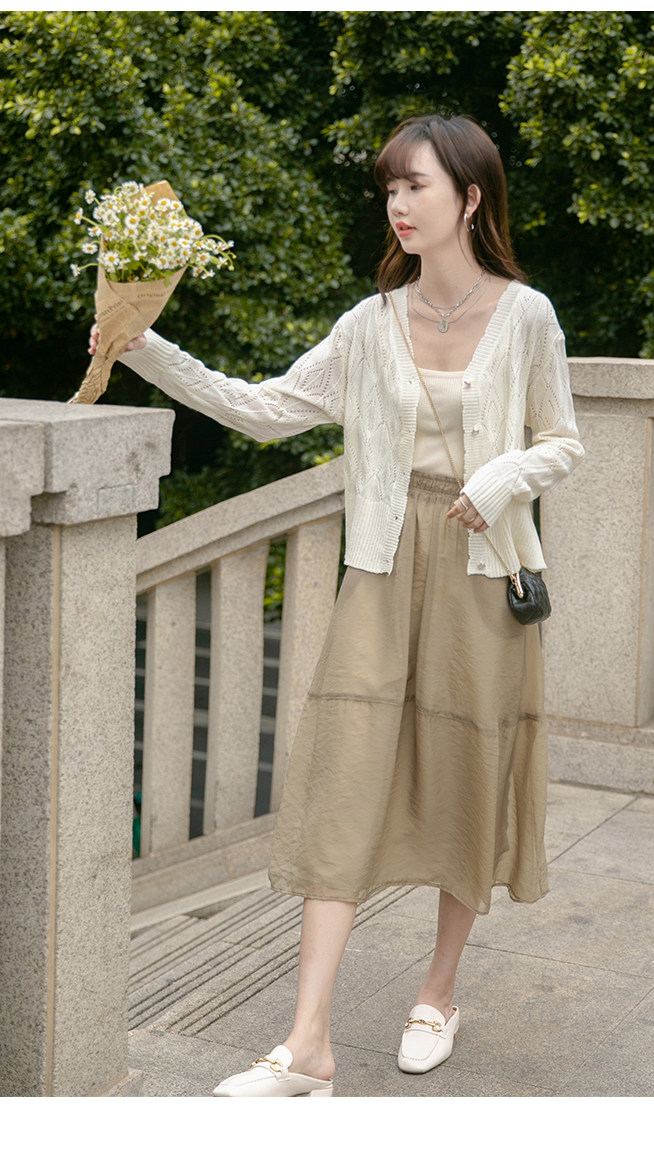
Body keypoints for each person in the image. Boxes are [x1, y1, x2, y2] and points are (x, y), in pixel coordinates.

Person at [94, 113, 584, 1097]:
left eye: (416, 185)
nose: (398, 203)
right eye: (390, 188)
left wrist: (502, 479)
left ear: (470, 199)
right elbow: (265, 408)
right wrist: (145, 348)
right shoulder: (369, 324)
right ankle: (308, 1043)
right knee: (345, 778)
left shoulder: (526, 316)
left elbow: (563, 440)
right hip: (382, 572)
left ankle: (437, 993)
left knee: (468, 772)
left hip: (482, 574)